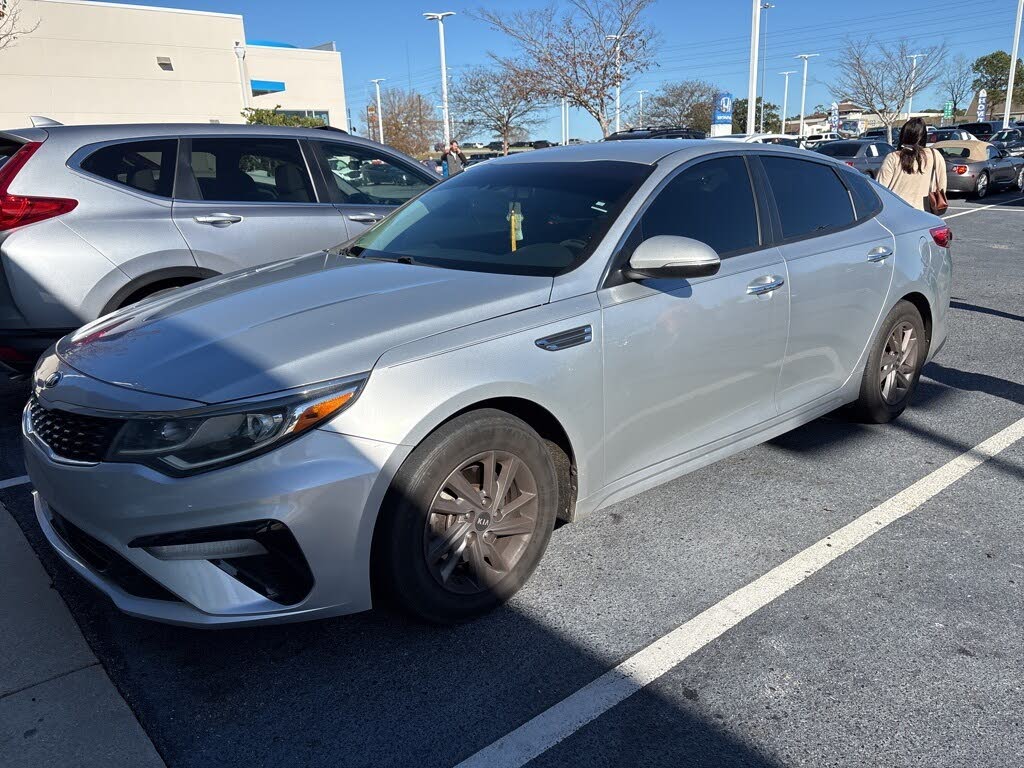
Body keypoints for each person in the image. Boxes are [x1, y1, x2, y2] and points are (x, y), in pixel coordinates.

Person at [877, 118, 947, 212]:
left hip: (896, 211)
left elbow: (880, 189)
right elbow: (942, 186)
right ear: (923, 136)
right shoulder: (935, 155)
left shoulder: (893, 157)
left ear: (903, 135)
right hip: (925, 212)